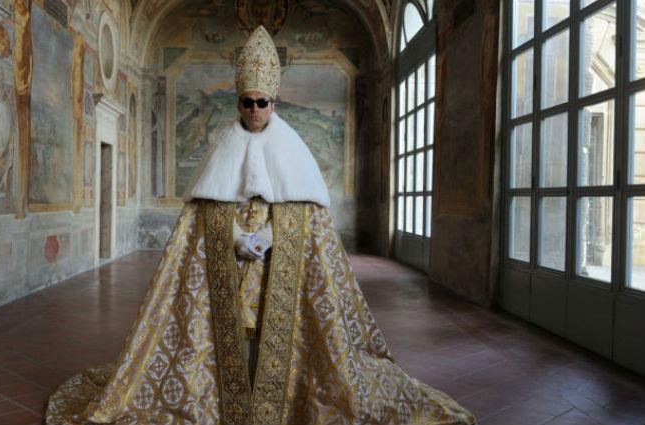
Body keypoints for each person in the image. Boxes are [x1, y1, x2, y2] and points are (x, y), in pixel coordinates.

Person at [45, 26, 476, 425]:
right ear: (238, 103)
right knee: (233, 329)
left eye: (262, 102)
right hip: (229, 264)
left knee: (279, 330)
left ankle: (281, 399)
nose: (254, 110)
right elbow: (202, 213)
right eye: (247, 102)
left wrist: (271, 237)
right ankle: (230, 397)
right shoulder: (222, 147)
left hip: (277, 264)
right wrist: (232, 236)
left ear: (275, 102)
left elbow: (306, 211)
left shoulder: (293, 150)